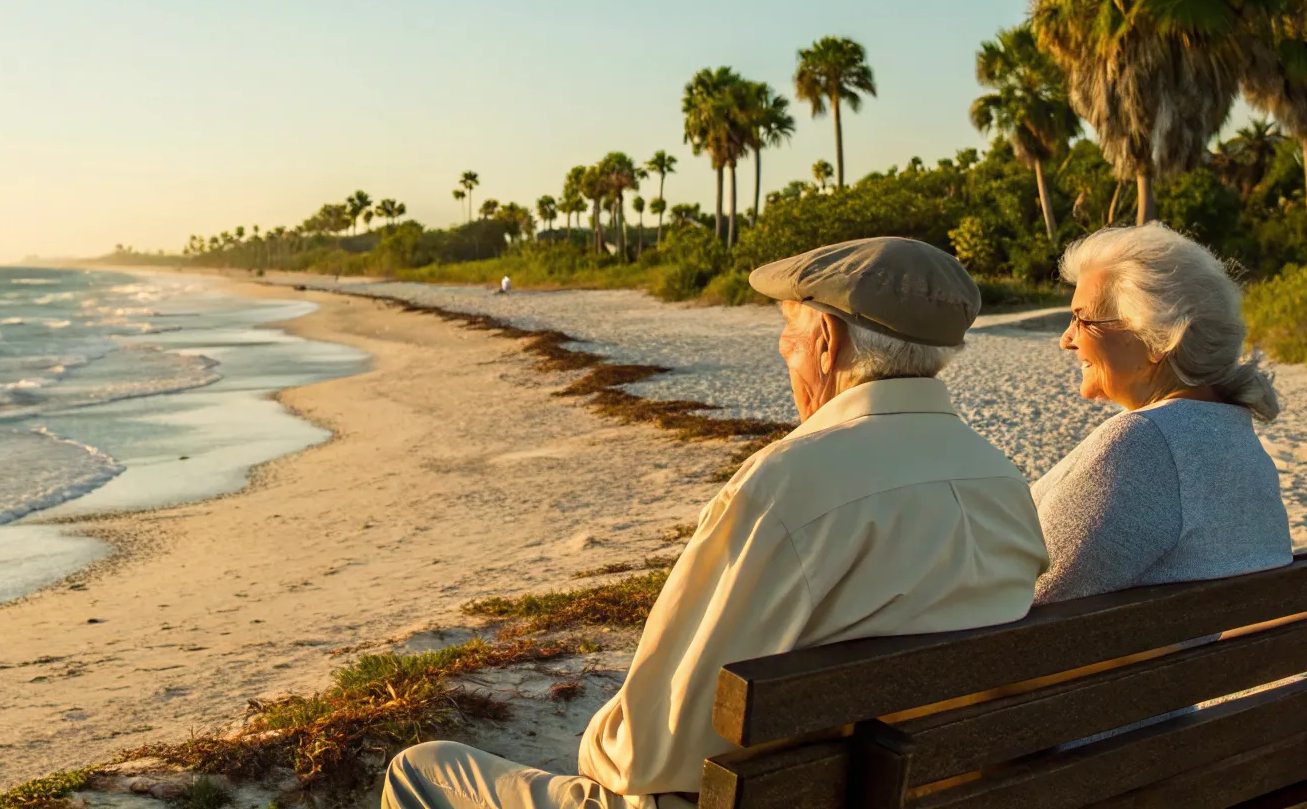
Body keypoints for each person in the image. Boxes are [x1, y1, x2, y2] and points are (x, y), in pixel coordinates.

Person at [381, 237, 1049, 809]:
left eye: (787, 339)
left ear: (826, 340)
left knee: (422, 770)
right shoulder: (1003, 479)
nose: (788, 360)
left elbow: (650, 754)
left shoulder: (788, 484)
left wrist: (594, 745)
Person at [1033, 223, 1292, 604]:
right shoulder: (1232, 432)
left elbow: (1030, 592)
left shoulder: (1141, 444)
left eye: (1082, 319)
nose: (1066, 339)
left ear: (1156, 337)